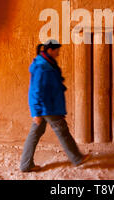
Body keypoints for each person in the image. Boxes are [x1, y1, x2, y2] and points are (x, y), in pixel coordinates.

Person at [20, 39, 91, 172]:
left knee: (35, 133)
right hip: (48, 107)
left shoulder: (47, 63)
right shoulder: (42, 66)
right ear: (50, 50)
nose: (58, 53)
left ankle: (25, 164)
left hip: (49, 105)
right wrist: (35, 112)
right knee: (62, 131)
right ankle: (76, 158)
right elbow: (35, 90)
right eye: (57, 50)